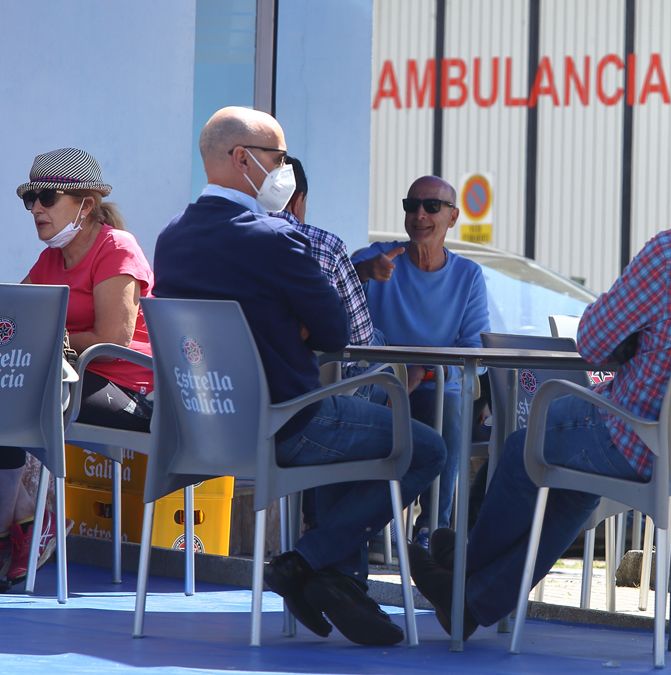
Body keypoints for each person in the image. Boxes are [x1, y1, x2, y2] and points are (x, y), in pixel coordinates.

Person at [405, 116, 671, 638]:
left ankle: (462, 574)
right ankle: (472, 596)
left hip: (643, 437)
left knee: (528, 445)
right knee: (571, 480)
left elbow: (593, 342)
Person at [153, 106, 446, 646]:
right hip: (289, 423)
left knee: (356, 439)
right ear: (242, 159)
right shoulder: (273, 238)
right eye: (278, 158)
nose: (283, 170)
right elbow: (338, 332)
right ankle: (308, 561)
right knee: (424, 447)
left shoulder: (172, 237)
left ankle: (336, 579)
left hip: (204, 428)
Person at [0, 148, 154, 591]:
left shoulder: (117, 247)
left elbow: (113, 342)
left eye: (47, 197)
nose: (36, 209)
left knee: (17, 394)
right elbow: (17, 318)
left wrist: (50, 339)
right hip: (69, 384)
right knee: (8, 391)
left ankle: (30, 521)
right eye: (29, 200)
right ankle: (23, 520)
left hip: (127, 390)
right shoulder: (51, 259)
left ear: (85, 204)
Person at [352, 176, 490, 549]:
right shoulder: (375, 258)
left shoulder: (469, 276)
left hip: (437, 387)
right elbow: (333, 306)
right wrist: (365, 273)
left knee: (448, 403)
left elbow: (475, 351)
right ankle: (369, 529)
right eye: (411, 206)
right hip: (379, 387)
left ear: (453, 217)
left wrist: (422, 371)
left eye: (432, 207)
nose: (420, 215)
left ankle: (433, 531)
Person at [272, 155, 376, 351]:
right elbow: (361, 337)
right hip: (325, 376)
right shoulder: (325, 244)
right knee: (378, 343)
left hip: (239, 373)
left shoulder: (229, 240)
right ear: (298, 199)